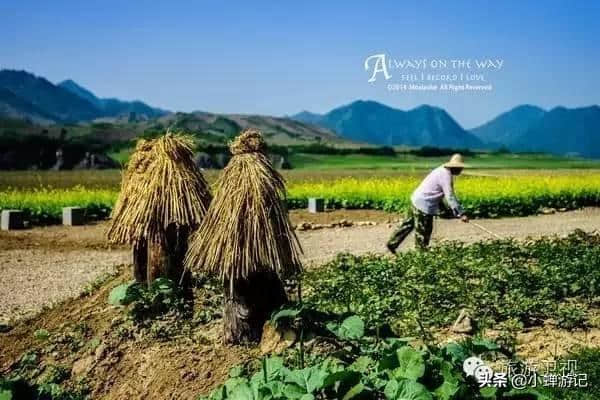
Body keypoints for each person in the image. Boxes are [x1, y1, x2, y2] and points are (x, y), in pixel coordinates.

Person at [387, 153, 469, 252]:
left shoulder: (440, 170)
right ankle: (421, 255)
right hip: (424, 204)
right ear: (454, 168)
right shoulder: (446, 176)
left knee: (408, 224)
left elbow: (437, 194)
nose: (461, 170)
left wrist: (445, 211)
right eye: (460, 168)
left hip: (416, 199)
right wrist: (461, 213)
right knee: (424, 231)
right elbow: (450, 196)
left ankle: (392, 243)